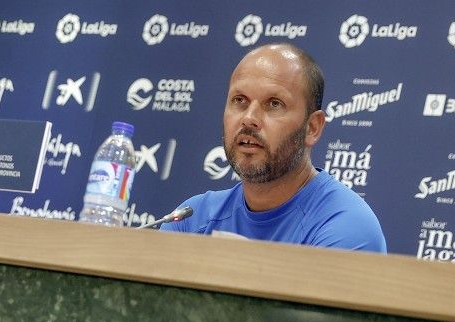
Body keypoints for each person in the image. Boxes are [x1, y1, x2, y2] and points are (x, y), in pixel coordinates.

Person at [162, 43, 387, 252]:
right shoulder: (190, 220)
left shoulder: (345, 228)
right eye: (240, 100)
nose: (249, 118)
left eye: (274, 104)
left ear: (312, 128)